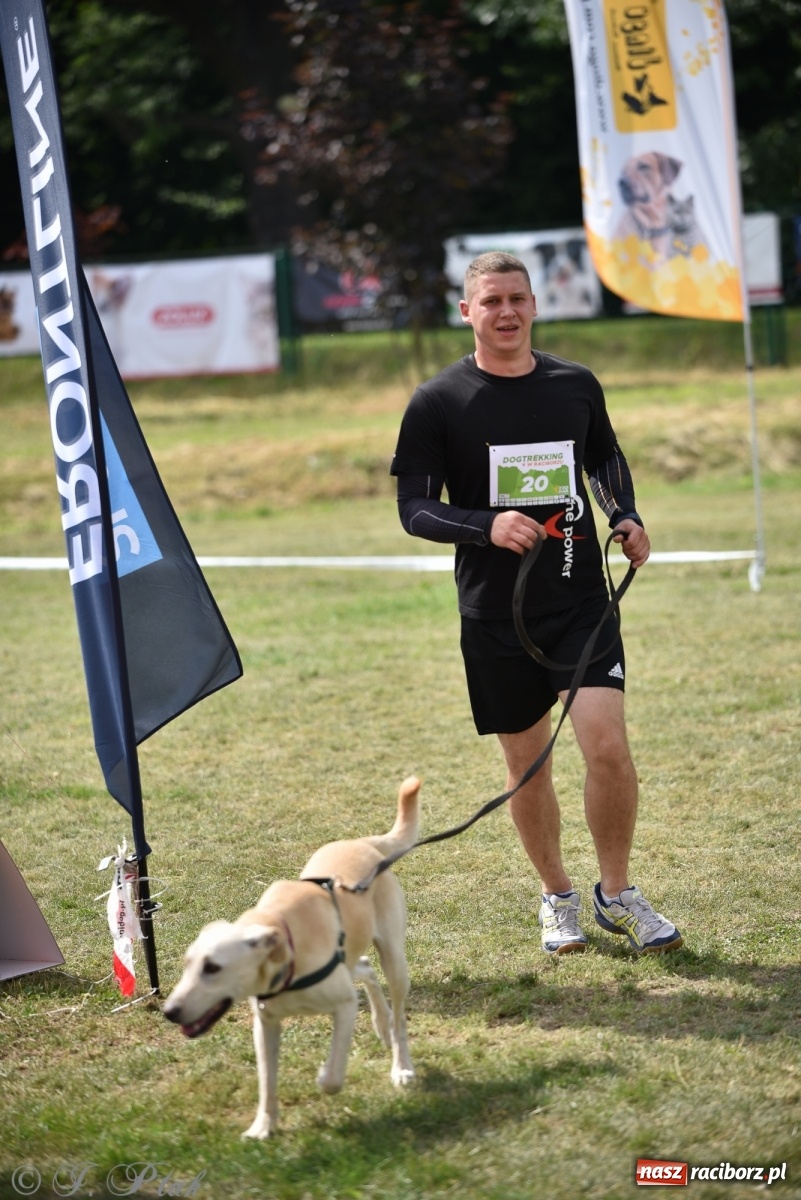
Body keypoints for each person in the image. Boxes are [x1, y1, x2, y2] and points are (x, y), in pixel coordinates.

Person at [390, 251, 682, 956]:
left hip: (581, 600)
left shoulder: (573, 384)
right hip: (494, 615)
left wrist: (625, 515)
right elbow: (413, 509)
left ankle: (616, 893)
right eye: (490, 301)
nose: (506, 312)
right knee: (528, 766)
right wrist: (483, 524)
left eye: (516, 298)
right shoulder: (437, 401)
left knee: (606, 748)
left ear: (533, 305)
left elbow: (604, 458)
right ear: (467, 312)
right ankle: (557, 897)